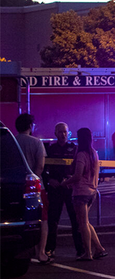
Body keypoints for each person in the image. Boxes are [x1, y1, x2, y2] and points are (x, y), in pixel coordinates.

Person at [62, 127, 107, 261]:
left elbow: (78, 175)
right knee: (85, 222)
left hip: (81, 192)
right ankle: (99, 248)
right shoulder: (94, 153)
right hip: (92, 191)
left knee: (82, 223)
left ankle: (88, 253)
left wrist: (65, 182)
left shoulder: (81, 154)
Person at [43, 122, 85, 259]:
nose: (63, 134)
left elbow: (80, 169)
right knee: (52, 220)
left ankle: (80, 250)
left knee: (76, 220)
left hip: (70, 189)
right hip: (55, 189)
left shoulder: (74, 149)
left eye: (65, 132)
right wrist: (49, 180)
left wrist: (71, 180)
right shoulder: (50, 149)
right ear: (55, 133)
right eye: (60, 132)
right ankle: (50, 249)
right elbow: (43, 169)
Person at [14, 113, 51, 264]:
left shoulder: (12, 142)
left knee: (18, 218)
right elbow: (40, 166)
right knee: (42, 219)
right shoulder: (36, 143)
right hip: (35, 187)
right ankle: (41, 252)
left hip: (15, 186)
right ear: (30, 126)